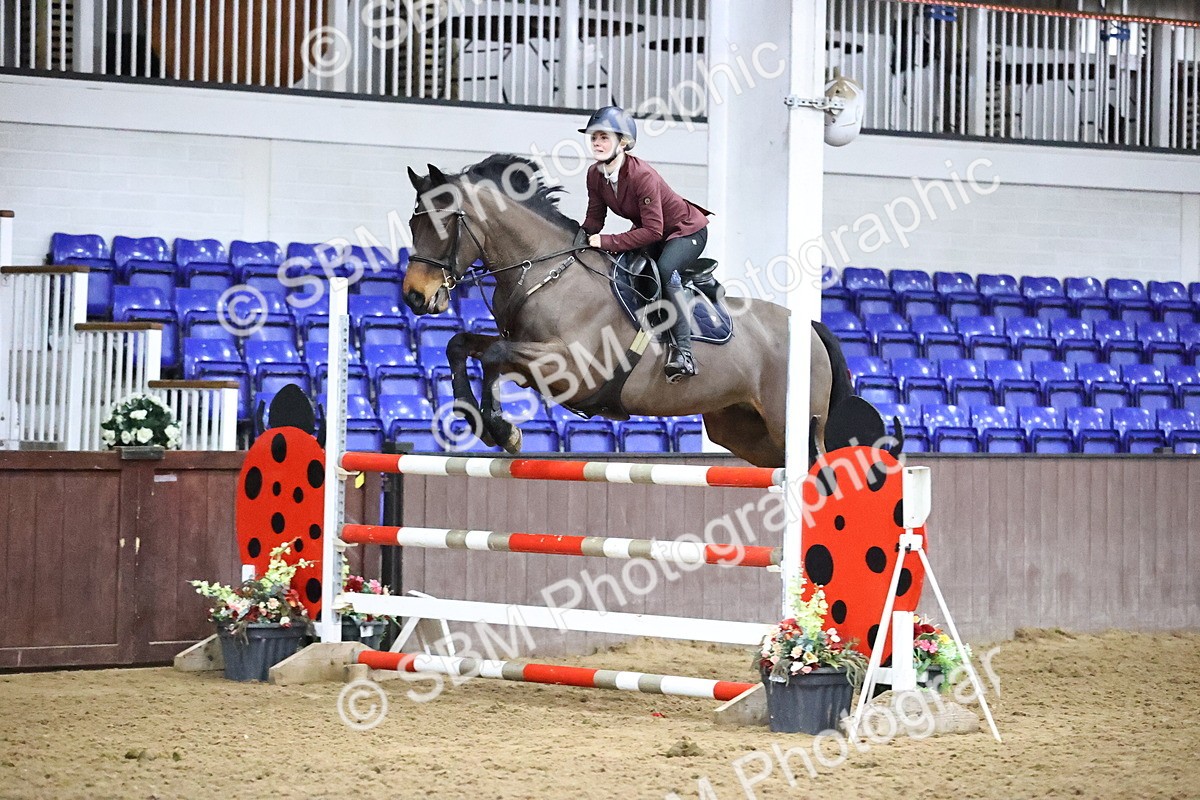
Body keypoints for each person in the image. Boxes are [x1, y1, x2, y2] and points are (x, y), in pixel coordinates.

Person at [579, 106, 711, 383]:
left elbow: (653, 230)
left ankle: (684, 353)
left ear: (623, 142)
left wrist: (606, 241)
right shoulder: (595, 174)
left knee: (664, 270)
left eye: (604, 137)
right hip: (654, 232)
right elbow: (594, 219)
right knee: (629, 268)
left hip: (686, 232)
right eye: (594, 138)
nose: (597, 143)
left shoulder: (642, 176)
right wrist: (576, 241)